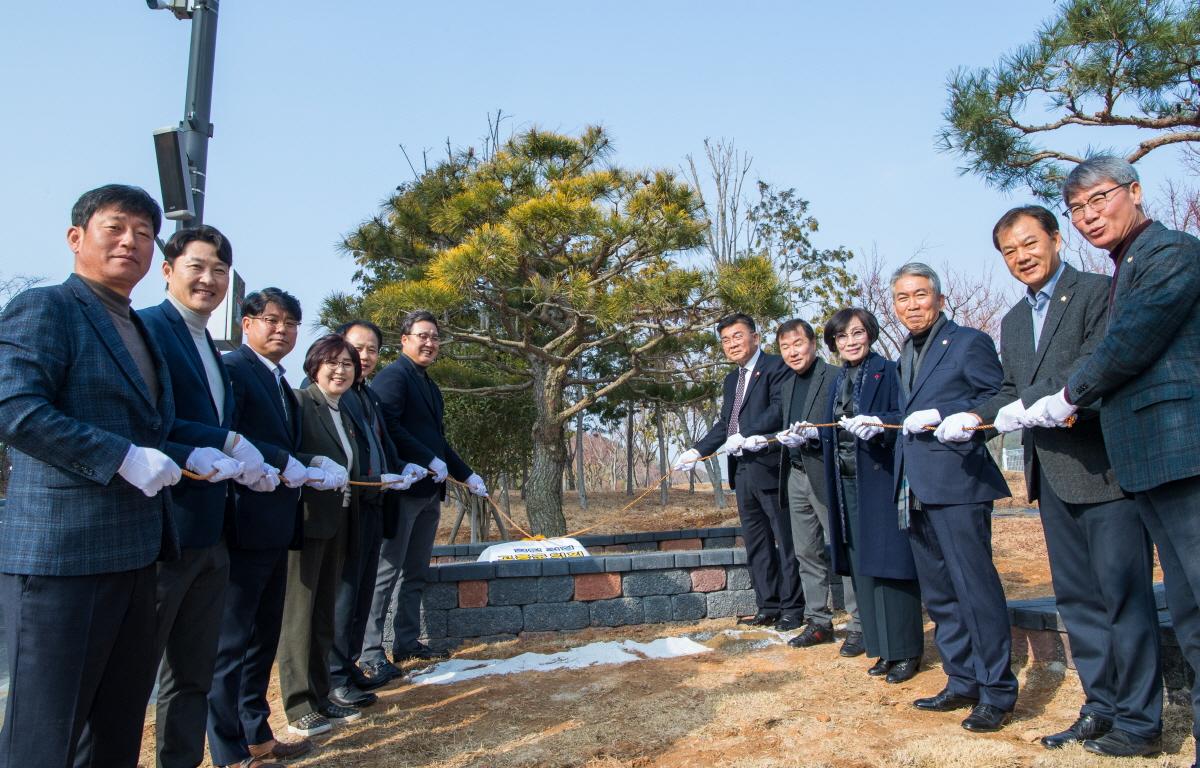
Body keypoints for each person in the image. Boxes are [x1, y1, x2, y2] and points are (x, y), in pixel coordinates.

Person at [0, 185, 228, 767]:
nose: (131, 241)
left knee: (117, 728)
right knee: (47, 735)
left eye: (144, 234)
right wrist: (120, 456)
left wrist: (185, 454)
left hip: (136, 556)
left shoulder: (140, 329)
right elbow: (15, 408)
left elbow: (150, 431)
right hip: (63, 559)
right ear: (77, 238)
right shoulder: (46, 307)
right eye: (116, 228)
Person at [939, 204, 1162, 755]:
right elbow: (1010, 388)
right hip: (1052, 476)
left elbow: (1092, 369)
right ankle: (1100, 707)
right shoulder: (1014, 320)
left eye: (1029, 244)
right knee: (1078, 600)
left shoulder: (1097, 292)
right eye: (1009, 252)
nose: (1021, 258)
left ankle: (1139, 722)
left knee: (1123, 597)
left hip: (1104, 469)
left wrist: (1030, 404)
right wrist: (976, 416)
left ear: (1056, 240)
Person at [1023, 155, 1200, 761]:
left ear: (1135, 191)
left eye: (1099, 200)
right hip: (1148, 462)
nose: (1090, 216)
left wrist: (1068, 395)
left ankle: (1142, 719)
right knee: (1188, 608)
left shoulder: (1171, 252)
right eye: (1078, 209)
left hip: (1180, 451)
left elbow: (1130, 342)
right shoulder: (1125, 266)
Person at [842, 263, 1015, 732]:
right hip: (912, 485)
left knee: (974, 589)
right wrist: (882, 421)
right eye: (902, 298)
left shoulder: (968, 342)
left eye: (920, 295)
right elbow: (909, 412)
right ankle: (962, 680)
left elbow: (998, 397)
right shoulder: (905, 354)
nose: (911, 305)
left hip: (958, 482)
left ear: (939, 298)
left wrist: (956, 415)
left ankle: (997, 691)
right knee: (940, 594)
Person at [139, 225, 276, 768]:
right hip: (163, 529)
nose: (209, 279)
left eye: (219, 270)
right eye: (197, 266)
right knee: (136, 675)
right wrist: (212, 444)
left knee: (194, 673)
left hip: (212, 530)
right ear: (168, 269)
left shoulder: (212, 350)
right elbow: (146, 419)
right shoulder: (149, 329)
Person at [208, 288, 341, 768]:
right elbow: (237, 437)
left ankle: (256, 733)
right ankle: (227, 750)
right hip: (243, 521)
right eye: (271, 320)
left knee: (261, 639)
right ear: (247, 323)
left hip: (276, 524)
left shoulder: (279, 381)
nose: (281, 329)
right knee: (232, 642)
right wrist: (292, 460)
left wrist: (309, 461)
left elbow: (281, 445)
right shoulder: (234, 370)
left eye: (289, 322)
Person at [278, 334, 406, 736]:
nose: (341, 370)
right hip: (309, 521)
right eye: (332, 362)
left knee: (324, 614)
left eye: (347, 364)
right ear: (314, 365)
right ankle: (299, 705)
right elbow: (280, 451)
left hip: (343, 520)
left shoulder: (344, 412)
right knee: (299, 615)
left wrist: (379, 477)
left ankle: (322, 695)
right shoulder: (302, 403)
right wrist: (310, 462)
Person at [361, 310, 488, 678]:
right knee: (386, 573)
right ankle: (370, 651)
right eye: (422, 336)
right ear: (404, 340)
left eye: (434, 337)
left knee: (415, 571)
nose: (429, 343)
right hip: (403, 491)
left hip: (430, 492)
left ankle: (406, 642)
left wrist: (467, 474)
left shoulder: (428, 385)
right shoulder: (393, 377)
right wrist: (425, 458)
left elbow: (438, 441)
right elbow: (388, 428)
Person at [674, 313, 801, 629]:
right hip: (741, 471)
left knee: (785, 542)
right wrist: (698, 450)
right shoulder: (732, 379)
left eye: (737, 336)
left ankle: (792, 609)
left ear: (755, 337)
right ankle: (768, 605)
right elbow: (724, 424)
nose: (732, 344)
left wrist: (746, 433)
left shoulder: (776, 367)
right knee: (756, 542)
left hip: (771, 467)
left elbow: (779, 409)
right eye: (726, 339)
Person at [817, 308, 924, 682]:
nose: (850, 342)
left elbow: (904, 416)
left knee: (891, 567)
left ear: (870, 334)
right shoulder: (836, 381)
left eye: (857, 333)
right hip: (846, 483)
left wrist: (880, 425)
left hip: (879, 479)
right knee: (863, 568)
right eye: (841, 337)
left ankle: (906, 650)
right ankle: (881, 648)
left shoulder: (888, 370)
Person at [327, 320, 425, 699]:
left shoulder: (365, 394)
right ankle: (335, 676)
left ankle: (349, 667)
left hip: (371, 505)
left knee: (359, 591)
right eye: (356, 349)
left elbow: (380, 446)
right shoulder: (328, 394)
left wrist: (398, 469)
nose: (363, 357)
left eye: (370, 350)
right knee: (343, 596)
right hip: (342, 508)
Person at [773, 318, 858, 651]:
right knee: (806, 551)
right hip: (795, 472)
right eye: (785, 347)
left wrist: (818, 433)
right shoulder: (787, 384)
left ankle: (858, 624)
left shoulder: (836, 378)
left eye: (798, 344)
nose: (793, 352)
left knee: (841, 548)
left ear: (813, 344)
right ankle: (818, 621)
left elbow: (848, 427)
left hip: (826, 473)